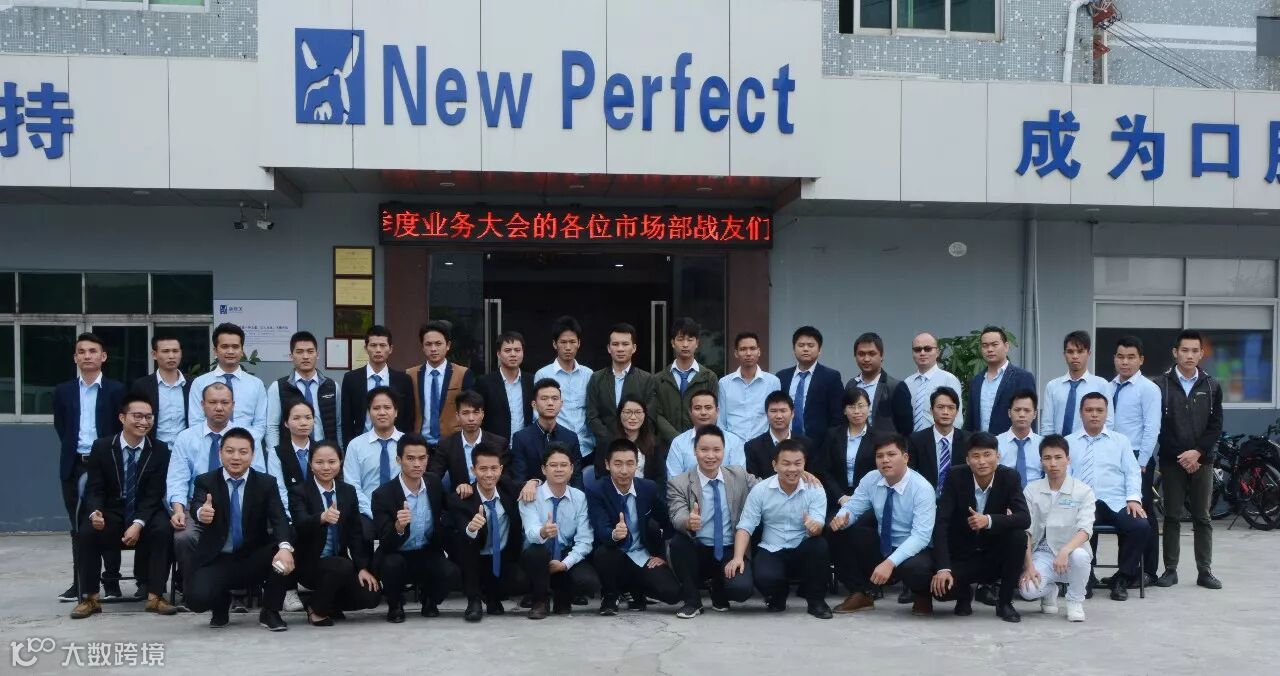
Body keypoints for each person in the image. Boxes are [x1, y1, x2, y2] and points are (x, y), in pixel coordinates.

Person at [71, 395, 176, 619]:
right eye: (137, 416)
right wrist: (95, 512)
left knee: (163, 530)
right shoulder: (102, 447)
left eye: (148, 417)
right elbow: (94, 488)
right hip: (112, 511)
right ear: (122, 417)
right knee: (87, 532)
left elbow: (154, 494)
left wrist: (138, 524)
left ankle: (155, 596)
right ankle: (90, 598)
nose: (143, 422)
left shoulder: (159, 450)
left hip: (145, 512)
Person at [183, 428, 295, 631]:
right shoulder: (206, 481)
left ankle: (270, 611)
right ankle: (220, 603)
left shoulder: (266, 483)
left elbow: (279, 518)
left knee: (285, 546)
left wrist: (285, 548)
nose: (236, 457)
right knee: (196, 600)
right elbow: (197, 504)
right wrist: (201, 512)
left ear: (252, 455)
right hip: (218, 558)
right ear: (220, 453)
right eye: (230, 451)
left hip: (253, 557)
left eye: (243, 452)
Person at [167, 383, 267, 581]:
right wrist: (178, 510)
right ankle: (193, 584)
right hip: (195, 506)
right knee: (184, 537)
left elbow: (259, 477)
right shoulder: (186, 438)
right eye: (213, 402)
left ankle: (238, 584)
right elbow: (177, 479)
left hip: (237, 503)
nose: (219, 407)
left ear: (233, 405)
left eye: (224, 402)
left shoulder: (247, 438)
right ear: (202, 405)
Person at [828, 434, 936, 616]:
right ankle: (862, 593)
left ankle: (922, 595)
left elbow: (921, 537)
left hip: (914, 548)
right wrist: (842, 519)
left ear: (905, 457)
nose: (885, 460)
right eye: (880, 456)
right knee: (835, 530)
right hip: (884, 542)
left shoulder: (922, 488)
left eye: (891, 454)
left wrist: (889, 563)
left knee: (918, 569)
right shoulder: (871, 478)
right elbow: (853, 507)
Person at [53, 332, 126, 601]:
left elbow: (121, 427)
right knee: (78, 526)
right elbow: (62, 427)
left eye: (93, 351)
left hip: (107, 465)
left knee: (108, 521)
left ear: (103, 356)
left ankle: (112, 582)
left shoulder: (117, 390)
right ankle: (80, 583)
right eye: (81, 352)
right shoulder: (64, 391)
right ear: (75, 358)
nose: (87, 356)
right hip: (74, 465)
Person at [929, 432, 1030, 622]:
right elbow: (941, 523)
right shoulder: (955, 476)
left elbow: (1024, 518)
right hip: (963, 554)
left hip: (994, 553)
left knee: (1018, 536)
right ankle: (964, 594)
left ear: (997, 456)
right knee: (941, 590)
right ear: (968, 460)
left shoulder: (1009, 477)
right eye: (976, 456)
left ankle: (1005, 602)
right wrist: (943, 568)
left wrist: (989, 520)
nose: (982, 461)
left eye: (987, 455)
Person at [1151, 330, 1223, 590]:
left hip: (1202, 461)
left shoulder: (1212, 385)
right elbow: (1159, 426)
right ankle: (1170, 570)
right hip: (1173, 461)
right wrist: (1183, 455)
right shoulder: (1160, 385)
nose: (1189, 355)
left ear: (1201, 354)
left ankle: (1205, 571)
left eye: (1194, 351)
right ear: (1175, 353)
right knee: (1171, 516)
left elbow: (1216, 425)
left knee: (1202, 516)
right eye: (1184, 350)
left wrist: (1198, 452)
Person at [731, 440, 833, 619]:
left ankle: (816, 602)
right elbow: (745, 526)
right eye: (786, 463)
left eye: (797, 463)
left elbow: (818, 526)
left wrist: (814, 527)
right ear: (775, 465)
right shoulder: (761, 490)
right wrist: (738, 557)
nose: (792, 469)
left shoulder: (815, 489)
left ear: (804, 464)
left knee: (819, 546)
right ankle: (778, 594)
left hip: (802, 545)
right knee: (764, 578)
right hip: (772, 547)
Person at [667, 425, 759, 618]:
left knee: (741, 590)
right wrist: (688, 521)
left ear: (724, 451)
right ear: (695, 451)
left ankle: (718, 587)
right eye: (704, 450)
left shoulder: (739, 475)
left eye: (716, 450)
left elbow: (765, 488)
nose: (710, 456)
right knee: (678, 543)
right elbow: (676, 514)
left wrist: (800, 474)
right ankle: (692, 601)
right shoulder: (680, 483)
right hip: (698, 548)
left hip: (729, 548)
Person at [286, 440, 381, 626]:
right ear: (310, 464)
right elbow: (300, 524)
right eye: (319, 462)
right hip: (309, 564)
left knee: (371, 596)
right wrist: (322, 518)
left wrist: (362, 567)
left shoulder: (347, 491)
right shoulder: (299, 492)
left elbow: (355, 533)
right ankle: (317, 609)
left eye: (332, 462)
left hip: (339, 563)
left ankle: (326, 603)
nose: (326, 467)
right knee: (342, 565)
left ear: (340, 462)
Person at [1067, 392, 1149, 601]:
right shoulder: (1069, 442)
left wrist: (1133, 498)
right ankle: (1086, 576)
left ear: (1106, 414)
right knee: (1078, 523)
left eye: (1099, 410)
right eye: (1089, 410)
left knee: (1140, 526)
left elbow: (1132, 472)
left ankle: (1122, 578)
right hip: (1082, 502)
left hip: (1116, 501)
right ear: (1081, 413)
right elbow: (1065, 477)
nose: (1094, 414)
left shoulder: (1120, 441)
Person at [587, 438, 682, 615]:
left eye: (630, 464)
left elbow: (668, 521)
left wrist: (661, 555)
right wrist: (614, 534)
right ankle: (610, 594)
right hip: (614, 552)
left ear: (637, 465)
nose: (624, 470)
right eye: (618, 464)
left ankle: (633, 588)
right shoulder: (597, 490)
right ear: (607, 464)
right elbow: (600, 528)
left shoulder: (648, 488)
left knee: (673, 594)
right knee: (604, 554)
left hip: (641, 554)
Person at [371, 434, 459, 623]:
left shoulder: (434, 483)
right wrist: (398, 527)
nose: (417, 464)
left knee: (451, 572)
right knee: (391, 564)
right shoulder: (383, 494)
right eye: (410, 458)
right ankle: (395, 605)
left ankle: (430, 600)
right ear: (399, 460)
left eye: (422, 458)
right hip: (396, 553)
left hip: (426, 551)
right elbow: (385, 542)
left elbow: (452, 507)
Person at [1019, 435, 1095, 622]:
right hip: (1042, 553)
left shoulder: (1083, 491)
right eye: (1047, 458)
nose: (1053, 463)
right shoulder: (1031, 490)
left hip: (1071, 552)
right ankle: (1049, 590)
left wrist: (1066, 550)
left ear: (1068, 459)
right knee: (1027, 590)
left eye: (1058, 457)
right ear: (1041, 461)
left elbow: (1085, 529)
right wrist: (1029, 566)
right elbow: (1026, 530)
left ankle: (1075, 601)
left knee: (1080, 556)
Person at [518, 443, 599, 619]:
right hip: (537, 554)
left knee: (588, 581)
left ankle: (563, 596)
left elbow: (585, 540)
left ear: (571, 469)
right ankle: (540, 601)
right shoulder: (530, 494)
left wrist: (565, 563)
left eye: (564, 465)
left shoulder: (579, 497)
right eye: (553, 465)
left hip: (564, 553)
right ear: (543, 469)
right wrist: (543, 532)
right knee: (537, 552)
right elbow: (530, 531)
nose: (559, 469)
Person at [449, 444, 528, 622]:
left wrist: (534, 482)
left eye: (494, 468)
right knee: (466, 545)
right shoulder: (461, 499)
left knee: (521, 580)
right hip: (475, 557)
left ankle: (493, 595)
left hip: (502, 557)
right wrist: (471, 528)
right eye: (483, 469)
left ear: (501, 469)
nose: (489, 474)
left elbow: (528, 484)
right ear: (473, 470)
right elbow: (462, 531)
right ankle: (474, 600)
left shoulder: (508, 489)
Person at [1108, 336, 1162, 586]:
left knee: (1143, 513)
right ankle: (1126, 570)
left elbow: (1152, 427)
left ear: (1141, 360)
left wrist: (1141, 462)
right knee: (1124, 514)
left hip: (1139, 459)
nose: (1125, 362)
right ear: (1114, 359)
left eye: (1131, 357)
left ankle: (1148, 571)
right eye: (1120, 357)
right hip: (1114, 459)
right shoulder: (1109, 387)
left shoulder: (1148, 389)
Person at [342, 387, 405, 542]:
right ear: (368, 413)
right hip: (366, 510)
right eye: (376, 408)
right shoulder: (355, 445)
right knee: (361, 533)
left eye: (387, 407)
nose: (382, 412)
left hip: (403, 510)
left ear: (396, 412)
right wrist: (373, 511)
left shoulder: (407, 443)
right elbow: (352, 485)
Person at [265, 331, 341, 455]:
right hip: (291, 455)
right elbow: (272, 426)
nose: (305, 356)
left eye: (310, 351)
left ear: (317, 355)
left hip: (325, 454)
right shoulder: (278, 387)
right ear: (291, 356)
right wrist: (275, 455)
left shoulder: (332, 387)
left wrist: (340, 452)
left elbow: (338, 425)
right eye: (299, 352)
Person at [187, 323, 268, 440]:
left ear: (242, 351)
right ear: (215, 351)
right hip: (210, 445)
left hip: (246, 446)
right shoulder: (200, 383)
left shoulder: (256, 384)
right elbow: (196, 422)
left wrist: (243, 444)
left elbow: (260, 424)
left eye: (235, 347)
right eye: (224, 346)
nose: (230, 351)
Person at [586, 323, 653, 463]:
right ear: (609, 348)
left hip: (639, 449)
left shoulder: (647, 379)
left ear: (634, 348)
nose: (620, 349)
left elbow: (650, 416)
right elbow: (592, 416)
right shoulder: (596, 378)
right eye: (615, 344)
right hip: (605, 449)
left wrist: (632, 439)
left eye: (625, 344)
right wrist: (611, 439)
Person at [407, 320, 477, 451]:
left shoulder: (463, 374)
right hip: (419, 445)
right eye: (428, 344)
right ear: (422, 347)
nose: (433, 349)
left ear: (448, 345)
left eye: (438, 344)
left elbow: (470, 410)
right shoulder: (410, 375)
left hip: (453, 445)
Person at [649, 317, 719, 446]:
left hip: (700, 445)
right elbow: (656, 415)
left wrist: (695, 438)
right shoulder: (659, 379)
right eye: (680, 339)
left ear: (697, 343)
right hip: (666, 446)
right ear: (673, 343)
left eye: (690, 340)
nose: (685, 344)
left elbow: (712, 412)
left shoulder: (709, 377)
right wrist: (678, 440)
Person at [339, 325, 415, 444]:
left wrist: (405, 445)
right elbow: (346, 420)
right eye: (373, 345)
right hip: (361, 443)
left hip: (395, 443)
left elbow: (408, 418)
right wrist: (349, 446)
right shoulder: (351, 379)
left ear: (390, 349)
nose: (378, 350)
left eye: (383, 345)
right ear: (366, 348)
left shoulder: (403, 380)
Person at [535, 316, 595, 460]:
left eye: (572, 342)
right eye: (563, 342)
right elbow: (537, 413)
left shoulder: (588, 374)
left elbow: (593, 410)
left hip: (587, 449)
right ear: (554, 344)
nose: (568, 347)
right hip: (556, 450)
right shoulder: (543, 374)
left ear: (579, 343)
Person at [429, 390, 513, 493]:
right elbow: (434, 477)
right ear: (457, 416)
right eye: (465, 413)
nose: (471, 418)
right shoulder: (447, 444)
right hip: (460, 498)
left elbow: (506, 478)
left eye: (476, 412)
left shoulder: (499, 443)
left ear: (482, 414)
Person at [965, 326, 1036, 435]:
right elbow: (970, 420)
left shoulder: (1023, 377)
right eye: (985, 345)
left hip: (1011, 442)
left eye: (994, 344)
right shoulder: (976, 381)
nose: (989, 349)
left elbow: (1030, 416)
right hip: (980, 443)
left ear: (1006, 346)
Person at [511, 379, 583, 487]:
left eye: (555, 398)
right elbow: (519, 478)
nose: (550, 403)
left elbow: (576, 477)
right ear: (534, 404)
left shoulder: (571, 437)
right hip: (533, 494)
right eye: (544, 398)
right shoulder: (521, 438)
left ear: (561, 404)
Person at [776, 326, 844, 439]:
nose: (805, 349)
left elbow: (837, 416)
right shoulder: (782, 376)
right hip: (785, 442)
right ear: (794, 349)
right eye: (801, 345)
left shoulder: (831, 377)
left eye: (811, 345)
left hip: (819, 444)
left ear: (819, 350)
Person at [891, 332, 964, 433]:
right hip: (911, 440)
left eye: (928, 349)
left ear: (937, 352)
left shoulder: (949, 379)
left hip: (939, 439)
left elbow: (957, 419)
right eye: (917, 349)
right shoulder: (907, 383)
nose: (922, 353)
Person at [1042, 331, 1112, 436]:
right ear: (1064, 354)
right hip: (1058, 444)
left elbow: (1108, 422)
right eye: (1070, 352)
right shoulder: (1052, 386)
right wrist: (1049, 444)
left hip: (1089, 443)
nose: (1075, 356)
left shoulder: (1101, 385)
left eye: (1080, 351)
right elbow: (1047, 425)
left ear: (1089, 354)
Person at [591, 393, 668, 488]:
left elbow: (660, 480)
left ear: (645, 415)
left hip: (646, 494)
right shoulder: (606, 443)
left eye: (638, 412)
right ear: (620, 414)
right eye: (628, 412)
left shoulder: (654, 443)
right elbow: (601, 477)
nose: (633, 417)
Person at [665, 389, 747, 477]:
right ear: (690, 412)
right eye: (697, 408)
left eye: (708, 408)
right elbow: (674, 480)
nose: (703, 412)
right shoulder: (679, 443)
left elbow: (739, 478)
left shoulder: (733, 441)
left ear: (717, 411)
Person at [718, 332, 781, 441]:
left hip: (763, 445)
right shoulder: (724, 383)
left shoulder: (772, 382)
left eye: (752, 348)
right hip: (733, 445)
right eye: (743, 349)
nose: (748, 353)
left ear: (759, 351)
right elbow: (721, 421)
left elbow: (777, 416)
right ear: (736, 353)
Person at [820, 387, 876, 513]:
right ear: (844, 410)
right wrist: (840, 496)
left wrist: (861, 499)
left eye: (861, 406)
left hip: (869, 501)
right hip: (837, 499)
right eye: (851, 407)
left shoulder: (878, 438)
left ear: (869, 408)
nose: (856, 411)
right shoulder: (832, 435)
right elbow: (824, 469)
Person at [474, 330, 534, 443]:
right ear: (498, 353)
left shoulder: (532, 381)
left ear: (523, 352)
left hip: (525, 445)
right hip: (494, 446)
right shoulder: (485, 382)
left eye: (517, 350)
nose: (513, 354)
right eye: (507, 350)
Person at [130, 333, 190, 445]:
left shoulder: (192, 384)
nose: (171, 356)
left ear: (181, 353)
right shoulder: (142, 386)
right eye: (165, 351)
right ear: (154, 354)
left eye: (175, 351)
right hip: (153, 448)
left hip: (186, 449)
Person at [908, 387, 970, 489]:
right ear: (931, 410)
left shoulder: (968, 440)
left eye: (951, 408)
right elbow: (910, 474)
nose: (945, 412)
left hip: (959, 496)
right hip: (926, 495)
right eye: (940, 407)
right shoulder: (916, 440)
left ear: (957, 411)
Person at [744, 390, 816, 479]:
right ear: (766, 414)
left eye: (783, 411)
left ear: (792, 413)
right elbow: (753, 482)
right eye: (773, 411)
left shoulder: (806, 444)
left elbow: (811, 478)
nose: (779, 416)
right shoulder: (753, 447)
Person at [845, 332, 903, 434]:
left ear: (881, 356)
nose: (866, 359)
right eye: (861, 354)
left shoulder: (895, 386)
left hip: (884, 442)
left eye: (872, 354)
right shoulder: (851, 385)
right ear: (855, 356)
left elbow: (903, 426)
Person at [997, 390, 1044, 489]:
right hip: (1005, 494)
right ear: (1009, 413)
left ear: (1035, 414)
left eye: (1027, 410)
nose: (1022, 414)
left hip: (1037, 495)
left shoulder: (1043, 444)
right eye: (1017, 410)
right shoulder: (996, 443)